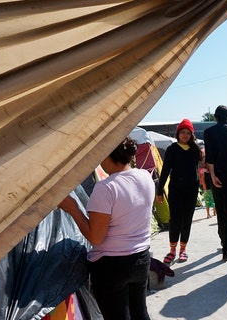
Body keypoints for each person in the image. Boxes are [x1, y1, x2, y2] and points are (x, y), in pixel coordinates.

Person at [58, 136, 154, 320]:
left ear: (107, 156)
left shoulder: (106, 187)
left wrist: (73, 209)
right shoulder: (144, 176)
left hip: (112, 266)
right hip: (141, 259)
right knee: (140, 314)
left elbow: (95, 237)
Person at [156, 118, 202, 265]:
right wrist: (159, 191)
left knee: (187, 220)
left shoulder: (195, 150)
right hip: (175, 189)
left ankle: (183, 250)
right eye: (182, 132)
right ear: (178, 133)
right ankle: (172, 250)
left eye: (188, 133)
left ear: (191, 135)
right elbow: (165, 170)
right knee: (175, 220)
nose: (185, 135)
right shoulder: (172, 149)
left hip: (191, 190)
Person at [203, 105, 227, 261]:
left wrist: (212, 175)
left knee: (220, 209)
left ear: (215, 116)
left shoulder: (209, 132)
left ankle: (223, 239)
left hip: (216, 175)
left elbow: (210, 156)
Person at [198, 147, 216, 219]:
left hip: (211, 186)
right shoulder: (203, 171)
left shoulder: (211, 171)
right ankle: (208, 213)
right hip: (207, 187)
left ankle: (214, 212)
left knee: (212, 200)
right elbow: (202, 179)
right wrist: (204, 186)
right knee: (208, 201)